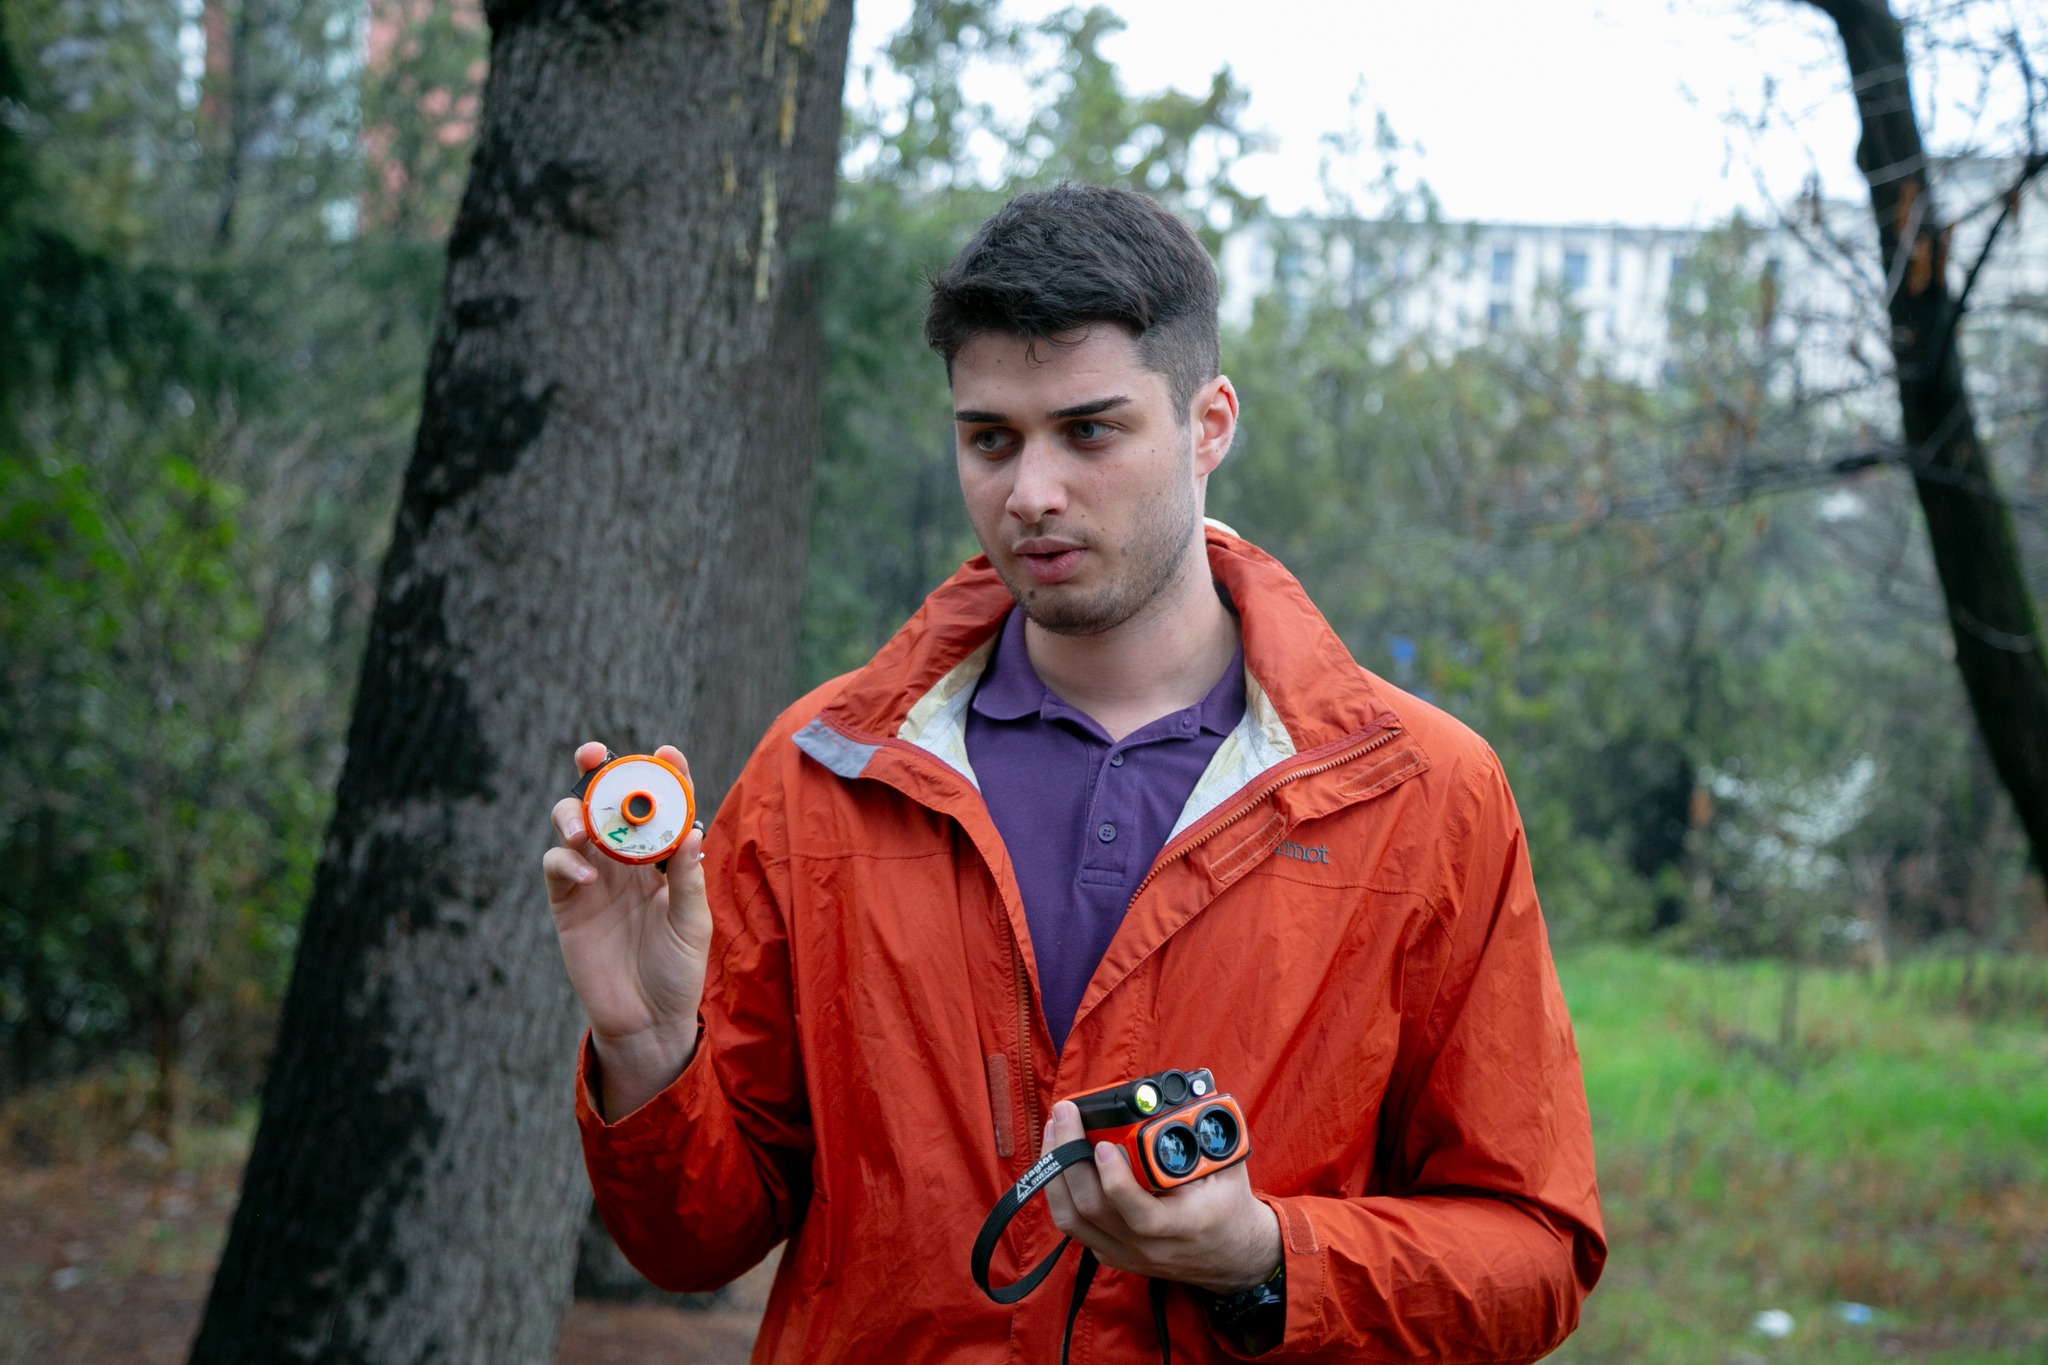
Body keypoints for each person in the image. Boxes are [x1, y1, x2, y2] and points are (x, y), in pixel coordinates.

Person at [543, 183, 1605, 1362]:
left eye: (1088, 432)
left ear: (1207, 426)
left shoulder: (1419, 792)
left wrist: (1262, 1259)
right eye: (989, 439)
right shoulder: (821, 771)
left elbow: (1532, 1251)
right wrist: (647, 1046)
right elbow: (693, 1243)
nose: (1030, 493)